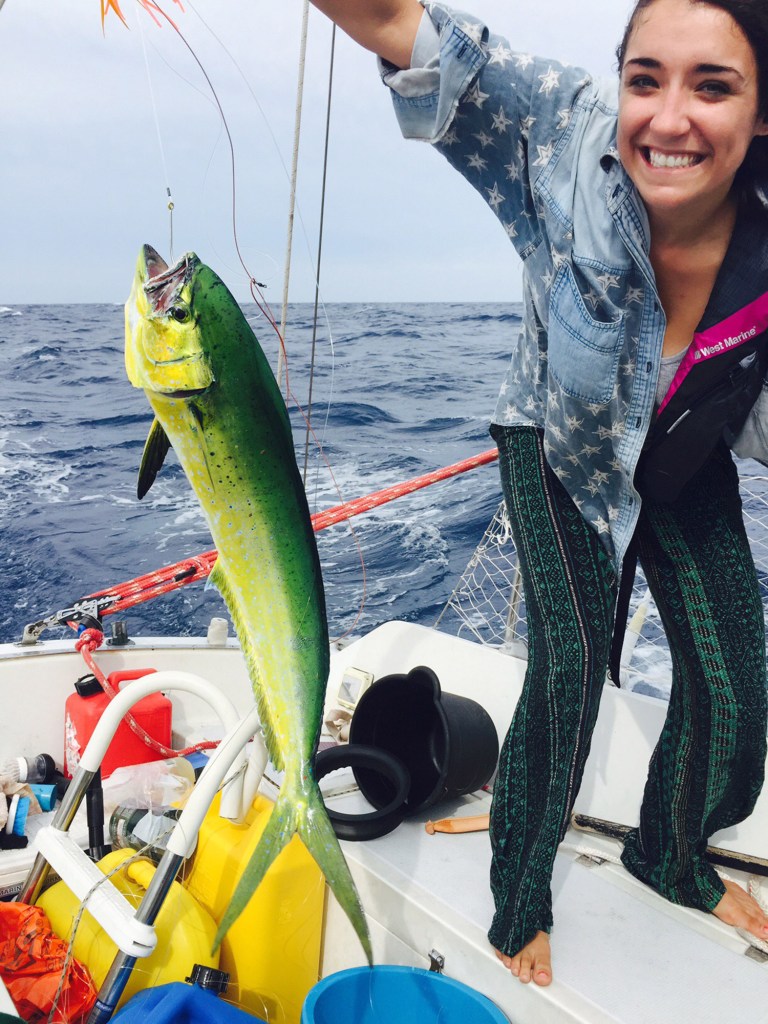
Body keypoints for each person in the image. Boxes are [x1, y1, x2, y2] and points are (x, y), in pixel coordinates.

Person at [310, 0, 768, 988]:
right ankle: (520, 892)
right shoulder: (564, 129)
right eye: (646, 79)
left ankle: (671, 855)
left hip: (686, 448)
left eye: (715, 85)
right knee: (568, 679)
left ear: (762, 113)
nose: (670, 116)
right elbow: (399, 22)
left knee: (737, 687)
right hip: (558, 442)